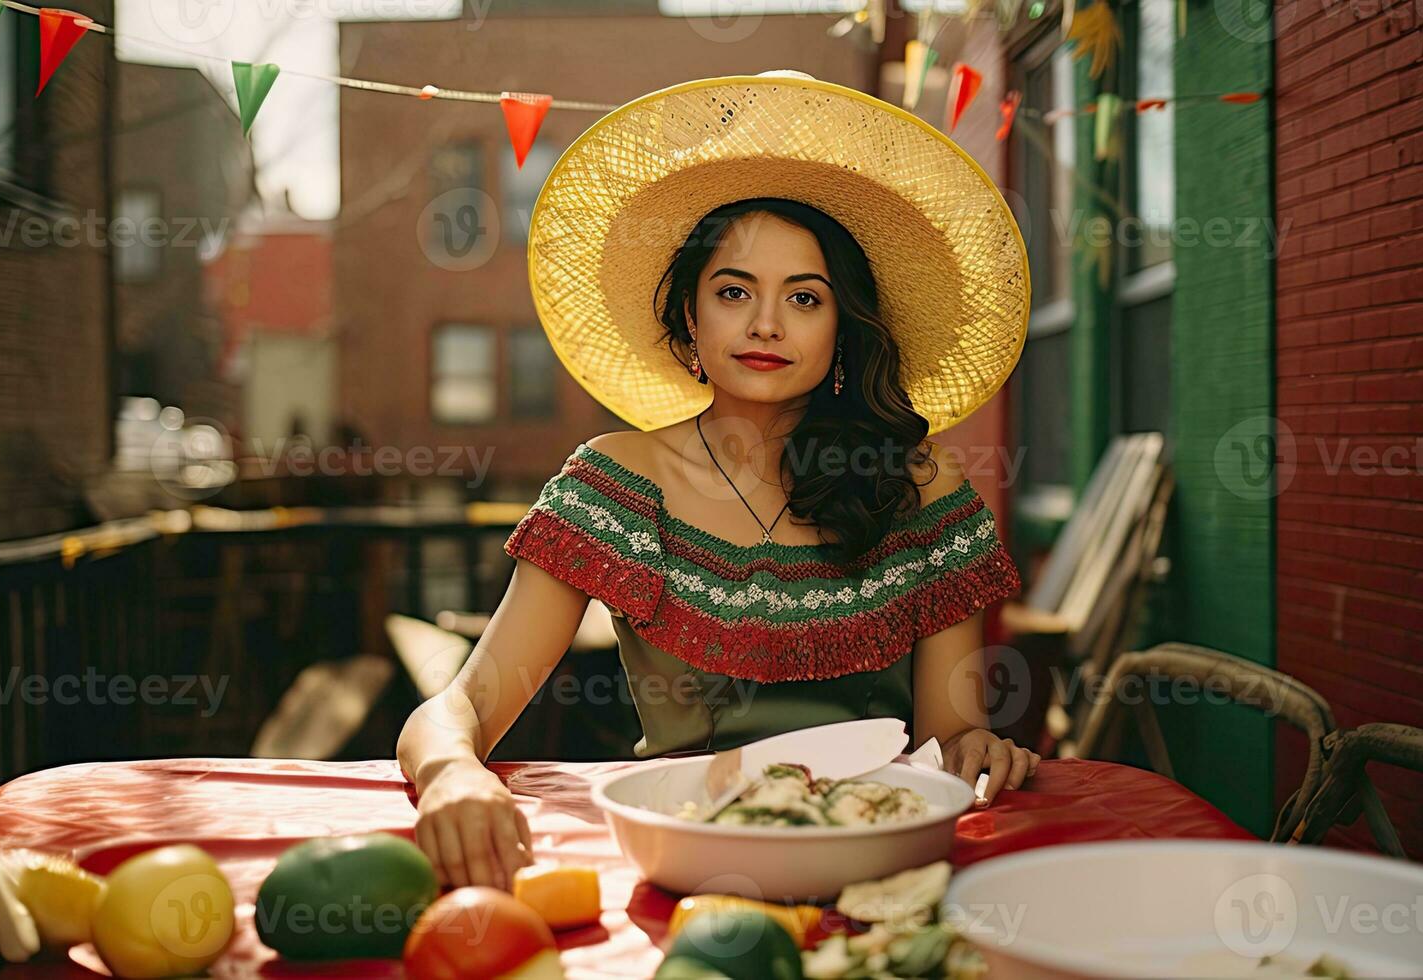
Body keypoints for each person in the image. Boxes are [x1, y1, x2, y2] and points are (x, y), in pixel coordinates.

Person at [399, 69, 1038, 890]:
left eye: (804, 299)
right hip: (687, 862)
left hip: (882, 862)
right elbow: (462, 708)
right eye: (734, 292)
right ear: (689, 321)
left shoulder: (921, 487)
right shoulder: (614, 481)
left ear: (844, 329)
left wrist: (977, 746)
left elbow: (952, 741)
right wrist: (451, 770)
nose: (766, 323)